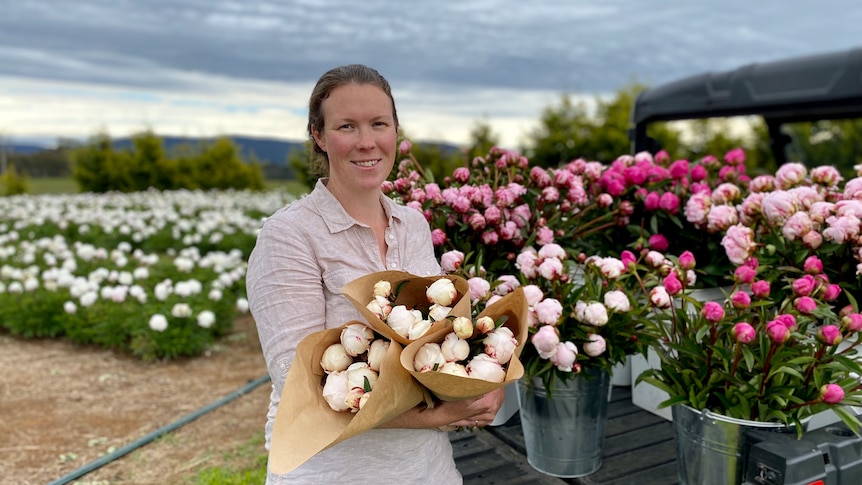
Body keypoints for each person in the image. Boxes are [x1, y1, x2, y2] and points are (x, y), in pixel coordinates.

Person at [246, 64, 505, 484]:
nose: (367, 142)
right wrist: (438, 415)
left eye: (379, 124)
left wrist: (479, 379)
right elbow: (301, 385)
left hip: (425, 468)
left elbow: (438, 336)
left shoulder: (413, 225)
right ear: (319, 135)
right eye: (346, 126)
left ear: (396, 131)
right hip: (331, 470)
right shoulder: (289, 236)